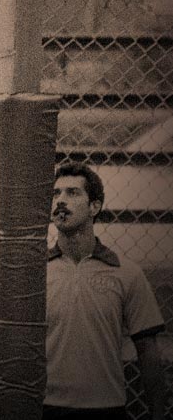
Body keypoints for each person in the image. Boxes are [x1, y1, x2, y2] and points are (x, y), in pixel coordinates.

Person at [44, 161, 167, 420]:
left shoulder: (125, 273)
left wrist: (158, 414)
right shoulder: (36, 275)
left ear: (94, 207)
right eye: (56, 193)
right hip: (45, 407)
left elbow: (147, 349)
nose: (60, 201)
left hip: (106, 408)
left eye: (72, 193)